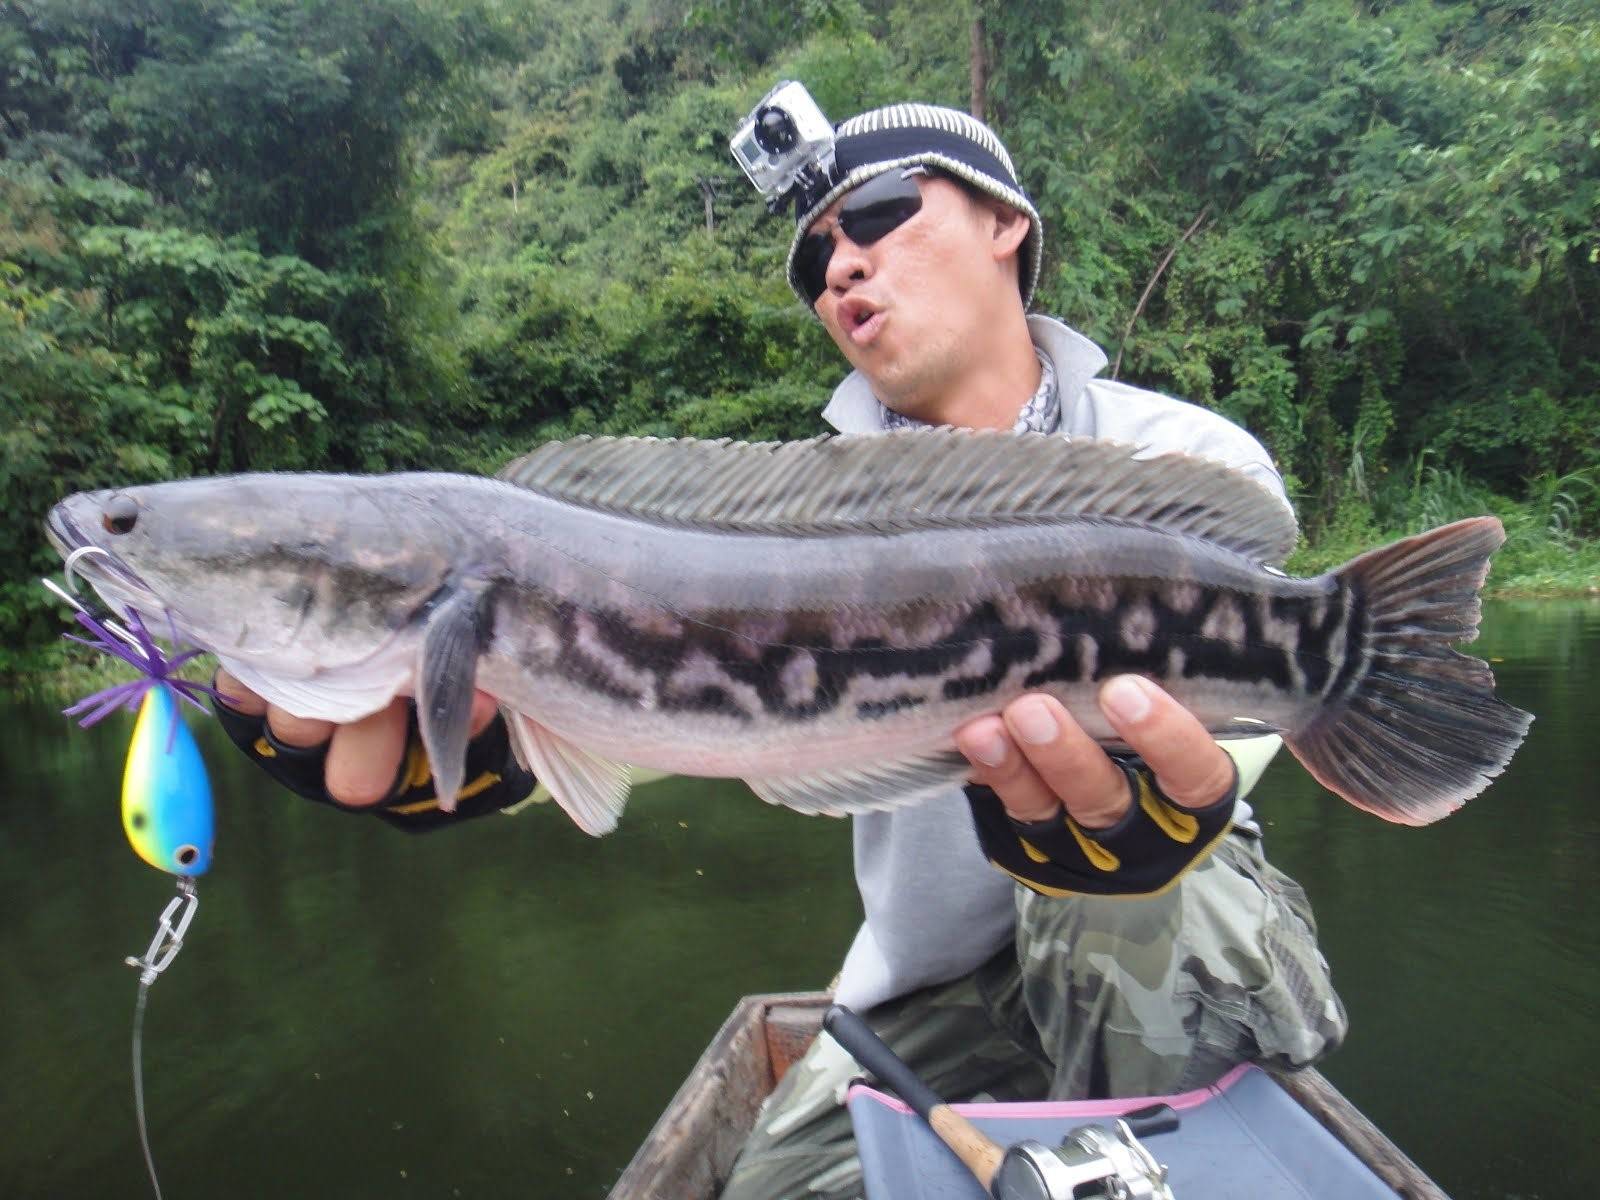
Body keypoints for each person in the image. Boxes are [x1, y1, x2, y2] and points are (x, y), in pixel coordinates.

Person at [212, 101, 1347, 1200]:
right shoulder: (764, 526)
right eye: (812, 263)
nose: (840, 265)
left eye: (882, 211)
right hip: (927, 988)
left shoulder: (1176, 461)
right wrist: (474, 764)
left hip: (1168, 920)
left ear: (1010, 223)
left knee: (1133, 907)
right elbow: (658, 726)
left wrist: (1158, 806)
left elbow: (1238, 739)